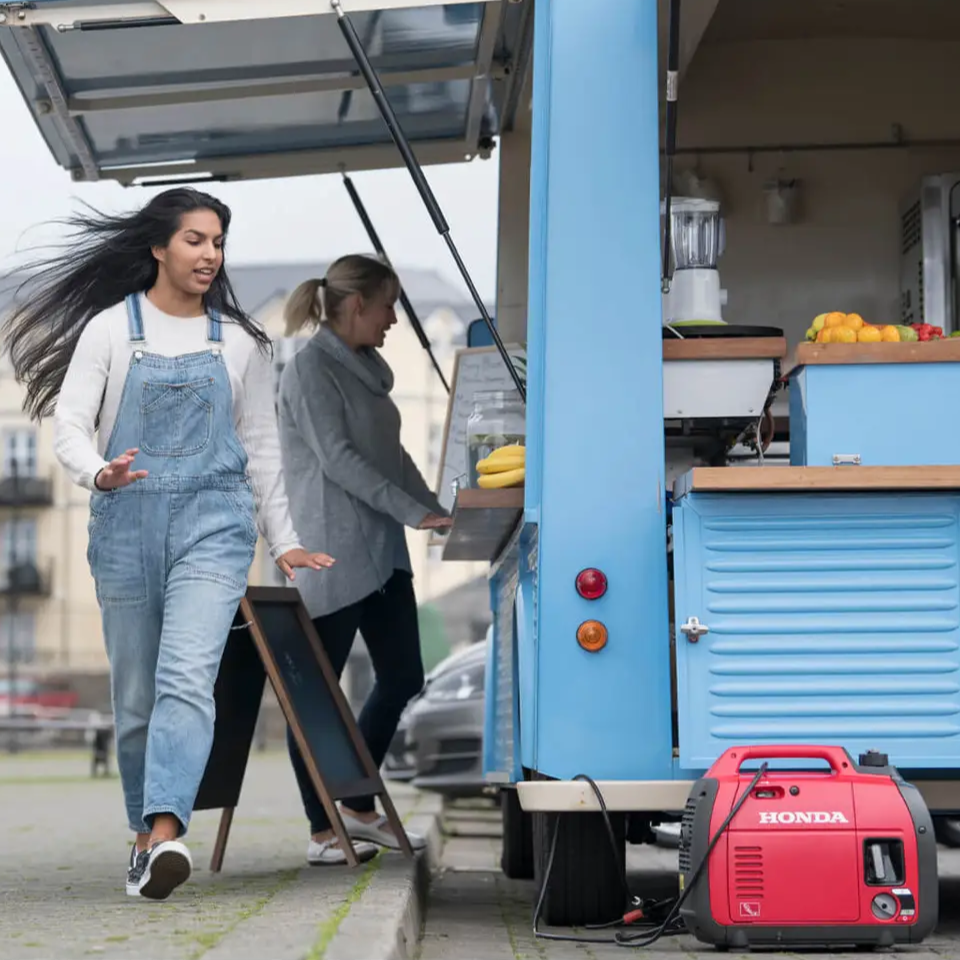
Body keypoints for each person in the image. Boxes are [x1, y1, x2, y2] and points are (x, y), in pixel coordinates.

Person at [3, 188, 334, 900]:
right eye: (195, 240)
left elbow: (262, 448)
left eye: (218, 241)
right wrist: (100, 471)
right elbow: (70, 426)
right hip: (125, 522)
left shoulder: (241, 342)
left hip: (215, 526)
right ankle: (142, 838)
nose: (210, 254)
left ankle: (164, 832)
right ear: (158, 247)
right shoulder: (109, 331)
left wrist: (285, 540)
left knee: (186, 677)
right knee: (135, 697)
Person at [279, 254, 453, 866]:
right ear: (357, 305)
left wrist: (433, 511)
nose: (393, 320)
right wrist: (410, 512)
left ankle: (355, 806)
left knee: (404, 675)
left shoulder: (368, 372)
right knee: (318, 695)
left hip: (382, 549)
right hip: (331, 551)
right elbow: (338, 460)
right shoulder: (309, 370)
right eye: (388, 306)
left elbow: (391, 455)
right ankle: (323, 831)